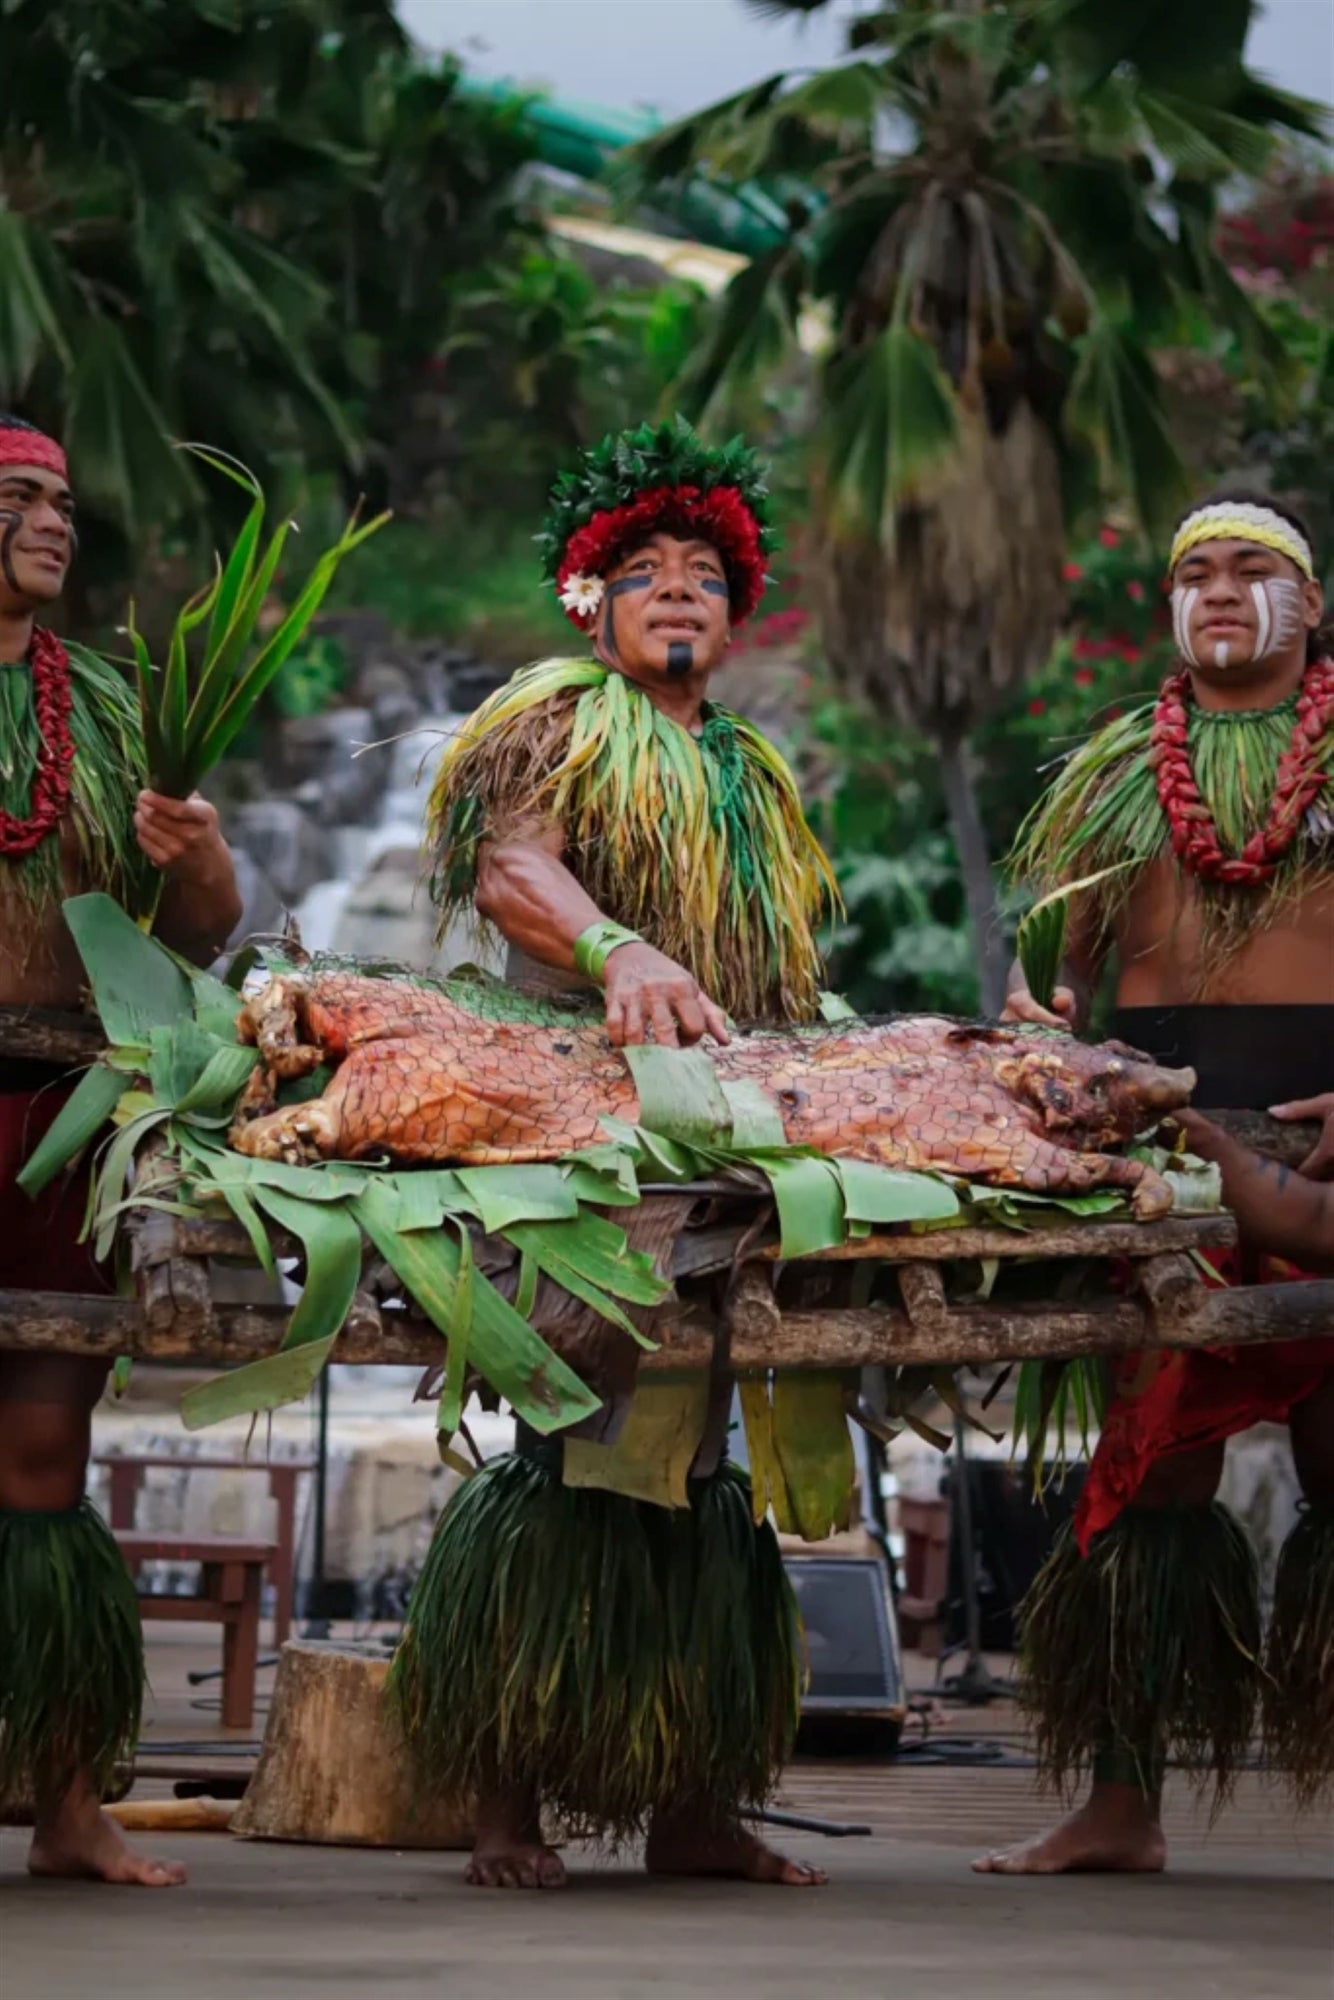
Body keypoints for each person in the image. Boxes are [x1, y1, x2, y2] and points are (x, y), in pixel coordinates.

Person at [391, 417, 838, 1889]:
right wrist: (614, 949)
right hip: (573, 1122)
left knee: (705, 1455)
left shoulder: (751, 769)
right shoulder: (556, 715)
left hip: (722, 1131)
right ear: (590, 600)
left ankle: (693, 1806)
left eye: (705, 570)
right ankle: (505, 1801)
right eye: (643, 568)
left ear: (735, 614)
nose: (678, 587)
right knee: (575, 1433)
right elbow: (512, 864)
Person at [976, 488, 1333, 1874]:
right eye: (1196, 574)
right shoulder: (1120, 772)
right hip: (1165, 1151)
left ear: (1310, 603)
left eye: (1251, 569)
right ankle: (1120, 1802)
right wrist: (1048, 1030)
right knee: (1149, 1478)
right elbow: (1058, 977)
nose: (1220, 591)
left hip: (1326, 1144)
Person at [0, 416, 242, 1884]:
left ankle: (68, 1799)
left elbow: (205, 930)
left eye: (62, 503)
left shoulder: (104, 711)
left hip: (59, 1111)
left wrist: (197, 856)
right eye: (20, 497)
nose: (54, 522)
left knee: (45, 1444)